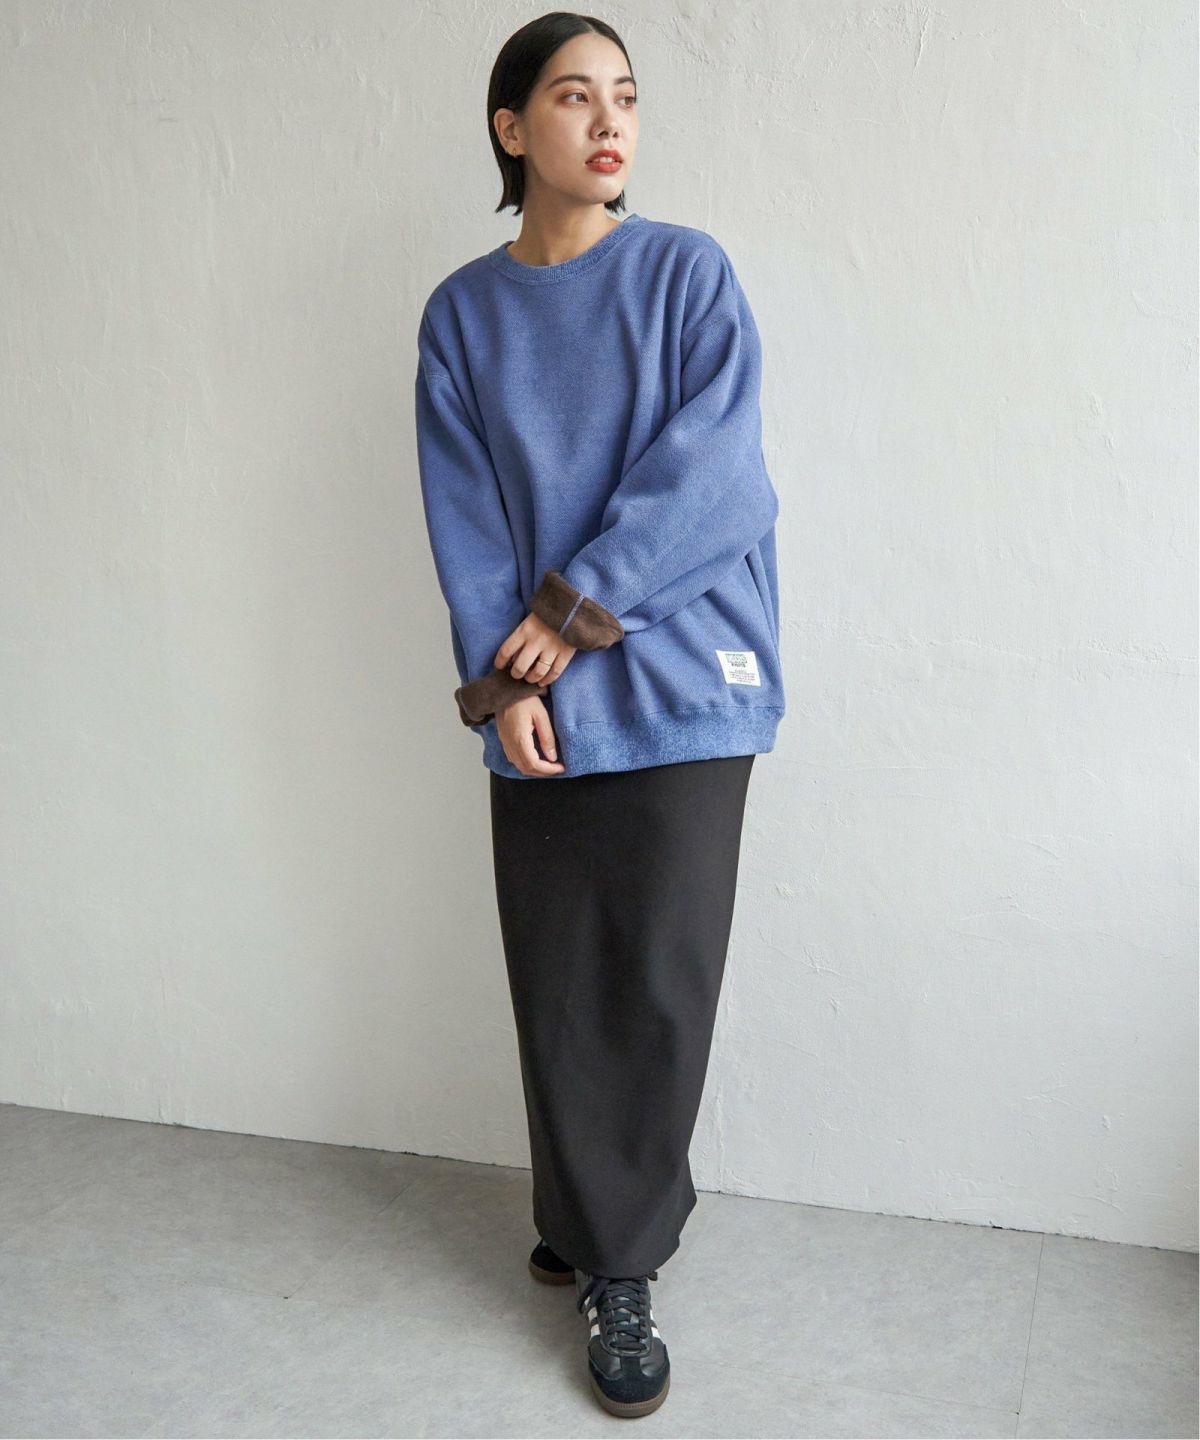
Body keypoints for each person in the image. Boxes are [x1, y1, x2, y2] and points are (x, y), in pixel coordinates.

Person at [414, 12, 786, 1420]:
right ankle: (583, 1212)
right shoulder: (463, 314)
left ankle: (622, 1261)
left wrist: (574, 614)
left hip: (684, 680)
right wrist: (501, 684)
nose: (609, 118)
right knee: (560, 973)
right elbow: (465, 518)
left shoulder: (687, 274)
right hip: (542, 694)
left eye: (624, 94)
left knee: (656, 980)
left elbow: (721, 476)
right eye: (573, 96)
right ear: (512, 128)